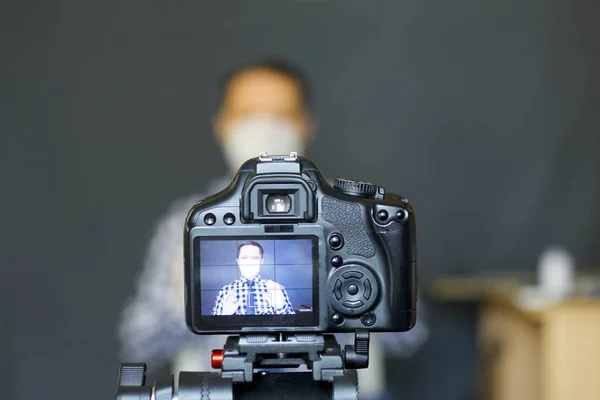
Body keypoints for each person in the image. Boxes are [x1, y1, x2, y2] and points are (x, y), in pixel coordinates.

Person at [117, 58, 428, 400]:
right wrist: (183, 298)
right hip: (219, 388)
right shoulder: (187, 223)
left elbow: (410, 338)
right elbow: (138, 341)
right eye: (249, 115)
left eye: (281, 115)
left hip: (339, 388)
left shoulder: (353, 217)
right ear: (222, 125)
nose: (264, 128)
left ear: (307, 125)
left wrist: (369, 292)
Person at [212, 241, 295, 315]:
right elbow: (212, 329)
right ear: (238, 262)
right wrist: (224, 314)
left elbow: (293, 325)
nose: (249, 262)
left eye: (255, 257)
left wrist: (280, 308)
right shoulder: (226, 292)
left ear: (261, 262)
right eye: (244, 257)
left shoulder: (276, 289)